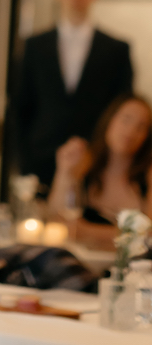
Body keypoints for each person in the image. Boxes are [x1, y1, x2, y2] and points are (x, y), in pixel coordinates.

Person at [15, 0, 133, 190]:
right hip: (42, 156)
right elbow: (21, 107)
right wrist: (24, 160)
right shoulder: (35, 46)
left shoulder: (116, 49)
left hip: (96, 159)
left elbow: (121, 107)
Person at [47, 94, 152, 248]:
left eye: (141, 126)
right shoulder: (84, 164)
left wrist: (87, 231)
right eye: (126, 120)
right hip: (81, 261)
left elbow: (148, 235)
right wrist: (64, 172)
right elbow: (56, 219)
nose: (130, 131)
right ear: (110, 119)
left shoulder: (147, 176)